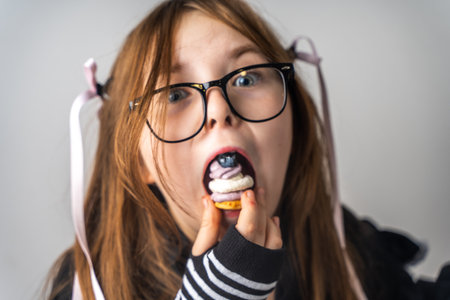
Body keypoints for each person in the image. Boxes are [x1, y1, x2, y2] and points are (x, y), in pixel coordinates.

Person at [45, 0, 450, 299]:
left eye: (247, 78)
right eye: (173, 95)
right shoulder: (86, 287)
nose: (219, 110)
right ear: (137, 160)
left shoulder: (347, 250)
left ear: (294, 121)